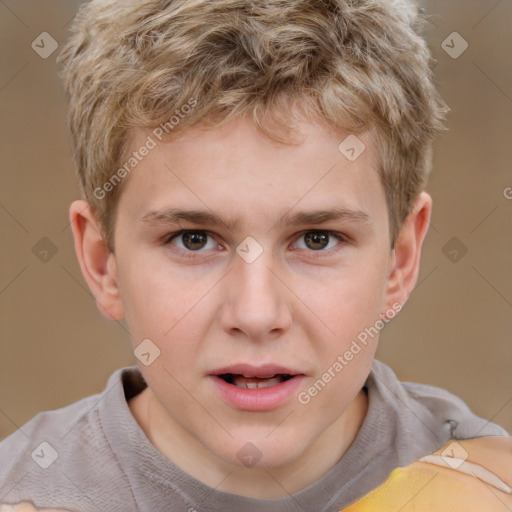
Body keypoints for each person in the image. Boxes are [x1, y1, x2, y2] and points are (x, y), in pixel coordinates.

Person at [0, 0, 510, 510]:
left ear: (399, 260)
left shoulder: (489, 485)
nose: (256, 313)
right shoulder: (21, 491)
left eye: (317, 239)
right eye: (193, 239)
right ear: (101, 263)